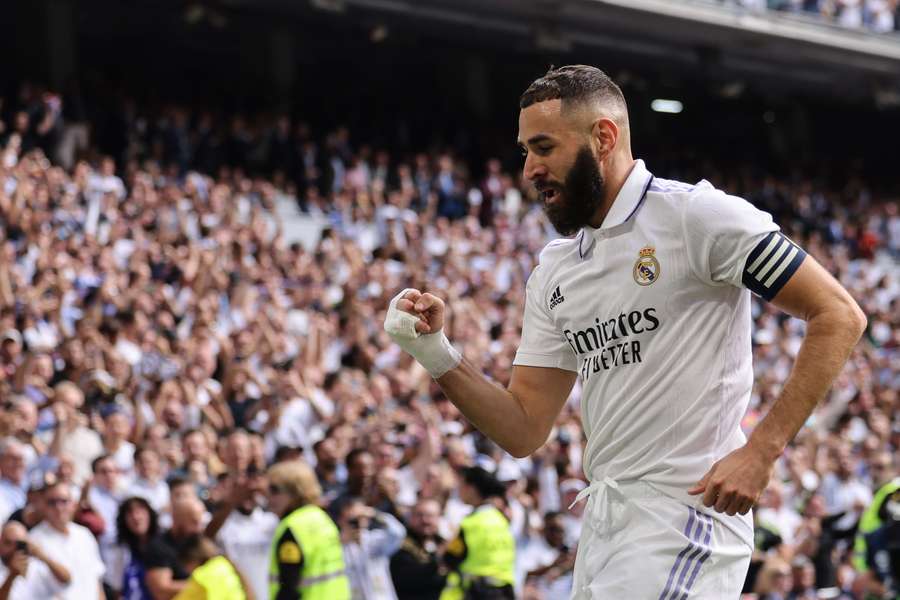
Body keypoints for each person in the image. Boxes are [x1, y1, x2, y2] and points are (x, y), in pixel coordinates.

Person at [384, 64, 867, 598]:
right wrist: (433, 352)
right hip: (604, 526)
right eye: (525, 152)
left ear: (604, 137)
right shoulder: (555, 272)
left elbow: (839, 315)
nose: (529, 169)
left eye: (543, 147)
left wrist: (763, 450)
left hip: (688, 519)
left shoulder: (697, 216)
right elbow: (523, 429)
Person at [266, 460, 350, 600]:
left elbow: (289, 589)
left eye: (274, 490)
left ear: (295, 491)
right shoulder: (323, 518)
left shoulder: (292, 528)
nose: (269, 496)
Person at [440, 467, 515, 600]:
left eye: (462, 484)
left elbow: (449, 558)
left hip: (477, 592)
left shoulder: (472, 523)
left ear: (472, 488)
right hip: (503, 592)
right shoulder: (501, 520)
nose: (459, 489)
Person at [204, 469, 278, 600]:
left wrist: (264, 490)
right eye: (240, 490)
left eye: (250, 492)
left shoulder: (271, 520)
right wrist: (233, 499)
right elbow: (206, 538)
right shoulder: (223, 523)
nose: (247, 495)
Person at [29, 478, 106, 599]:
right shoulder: (34, 540)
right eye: (52, 502)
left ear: (73, 504)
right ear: (43, 506)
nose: (58, 507)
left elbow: (97, 581)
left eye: (63, 501)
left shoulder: (84, 534)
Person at [335, 496, 406, 600]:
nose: (357, 523)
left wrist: (375, 514)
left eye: (360, 518)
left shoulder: (375, 540)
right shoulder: (337, 546)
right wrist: (339, 541)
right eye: (352, 519)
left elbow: (399, 533)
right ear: (341, 520)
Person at [389, 499, 447, 600]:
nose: (425, 520)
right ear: (411, 517)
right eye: (419, 515)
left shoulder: (443, 544)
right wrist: (439, 562)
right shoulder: (399, 545)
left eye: (430, 516)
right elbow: (410, 578)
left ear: (439, 518)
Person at [0, 520, 71, 600]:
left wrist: (42, 556)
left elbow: (66, 580)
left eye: (20, 544)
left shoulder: (37, 565)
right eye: (8, 543)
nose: (14, 548)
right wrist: (11, 576)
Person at [171, 536, 249, 600]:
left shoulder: (201, 576)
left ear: (191, 558)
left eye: (184, 565)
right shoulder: (224, 565)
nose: (186, 570)